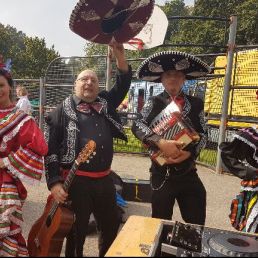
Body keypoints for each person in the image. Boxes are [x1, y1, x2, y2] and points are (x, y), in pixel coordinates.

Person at [44, 42, 132, 257]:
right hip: (76, 182)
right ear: (75, 85)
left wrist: (120, 55)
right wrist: (54, 183)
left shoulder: (105, 102)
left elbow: (123, 83)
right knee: (76, 233)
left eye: (93, 79)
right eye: (84, 79)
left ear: (98, 85)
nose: (89, 82)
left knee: (111, 227)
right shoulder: (60, 111)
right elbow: (50, 149)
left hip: (105, 180)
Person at [132, 51, 211, 225]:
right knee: (159, 224)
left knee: (196, 221)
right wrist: (160, 142)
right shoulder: (153, 102)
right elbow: (137, 125)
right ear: (162, 79)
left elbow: (204, 135)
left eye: (178, 75)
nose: (173, 79)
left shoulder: (196, 103)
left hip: (188, 172)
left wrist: (190, 154)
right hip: (161, 174)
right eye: (168, 75)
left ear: (184, 79)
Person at [0, 60, 48, 256]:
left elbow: (40, 147)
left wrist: (5, 162)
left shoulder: (20, 118)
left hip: (4, 185)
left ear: (10, 87)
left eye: (1, 85)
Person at [220, 126, 258, 233]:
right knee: (252, 229)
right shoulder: (252, 135)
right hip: (255, 197)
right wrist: (250, 172)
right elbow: (228, 154)